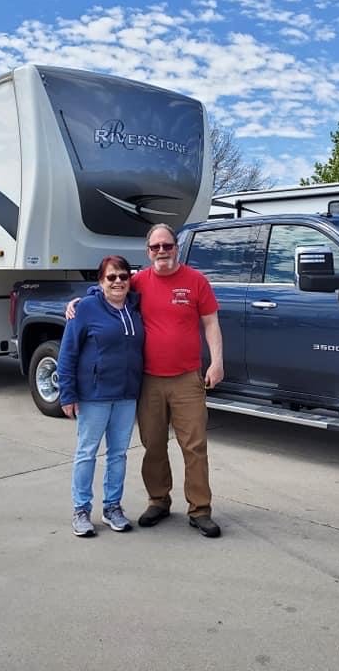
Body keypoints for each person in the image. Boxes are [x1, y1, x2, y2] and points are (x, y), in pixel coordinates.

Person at [67, 223, 224, 538]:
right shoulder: (138, 281)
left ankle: (200, 509)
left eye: (167, 245)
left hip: (187, 378)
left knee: (194, 445)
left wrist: (217, 361)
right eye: (156, 247)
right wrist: (77, 301)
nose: (162, 251)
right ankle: (158, 501)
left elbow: (210, 323)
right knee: (153, 445)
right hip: (148, 380)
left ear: (176, 247)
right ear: (148, 251)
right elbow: (108, 286)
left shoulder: (196, 281)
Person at [57, 255, 144, 538]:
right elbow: (68, 353)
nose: (118, 281)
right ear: (100, 281)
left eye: (123, 276)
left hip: (126, 394)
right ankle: (81, 510)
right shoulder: (85, 309)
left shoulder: (135, 306)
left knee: (118, 455)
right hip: (93, 395)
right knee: (87, 453)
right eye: (111, 277)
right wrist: (67, 395)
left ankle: (112, 507)